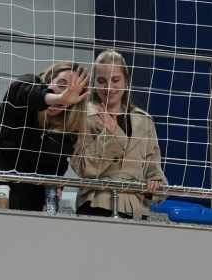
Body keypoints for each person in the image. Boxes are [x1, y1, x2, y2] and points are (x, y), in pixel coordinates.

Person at [0, 61, 89, 211]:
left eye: (71, 91)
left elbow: (55, 169)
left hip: (25, 206)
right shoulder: (29, 84)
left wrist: (56, 185)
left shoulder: (67, 133)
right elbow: (20, 92)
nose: (64, 94)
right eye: (61, 84)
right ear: (48, 79)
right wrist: (57, 99)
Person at [71, 49, 167, 219]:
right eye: (101, 81)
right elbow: (82, 167)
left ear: (126, 81)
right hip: (96, 204)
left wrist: (154, 184)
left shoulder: (144, 121)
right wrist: (110, 136)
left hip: (136, 210)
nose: (109, 87)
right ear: (94, 83)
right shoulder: (82, 116)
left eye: (115, 80)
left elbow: (154, 171)